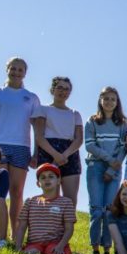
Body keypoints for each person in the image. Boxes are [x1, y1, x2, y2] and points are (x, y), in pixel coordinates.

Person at [0, 57, 41, 229]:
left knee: (16, 191)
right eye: (13, 68)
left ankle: (15, 235)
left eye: (20, 70)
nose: (16, 72)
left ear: (25, 73)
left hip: (21, 147)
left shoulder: (31, 98)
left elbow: (37, 129)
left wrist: (36, 153)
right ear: (7, 69)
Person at [84, 86, 127, 254]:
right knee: (96, 209)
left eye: (113, 99)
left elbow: (123, 149)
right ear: (100, 101)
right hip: (95, 167)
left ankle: (107, 250)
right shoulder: (93, 121)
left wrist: (112, 168)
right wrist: (109, 160)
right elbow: (89, 145)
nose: (109, 102)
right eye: (106, 99)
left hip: (114, 171)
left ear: (117, 103)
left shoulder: (122, 124)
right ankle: (95, 249)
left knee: (110, 209)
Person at [34, 76, 83, 207]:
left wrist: (64, 155)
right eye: (60, 88)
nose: (63, 92)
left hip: (70, 153)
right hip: (48, 151)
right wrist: (55, 155)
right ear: (53, 90)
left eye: (67, 89)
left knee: (70, 201)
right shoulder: (43, 110)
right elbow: (39, 136)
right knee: (50, 198)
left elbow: (78, 139)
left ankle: (68, 227)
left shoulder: (75, 114)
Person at [13, 163, 76, 254]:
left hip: (56, 243)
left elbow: (69, 229)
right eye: (43, 177)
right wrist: (18, 247)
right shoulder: (30, 201)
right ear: (38, 183)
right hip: (34, 244)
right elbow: (21, 227)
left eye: (51, 176)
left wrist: (60, 246)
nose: (47, 179)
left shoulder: (66, 202)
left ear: (58, 181)